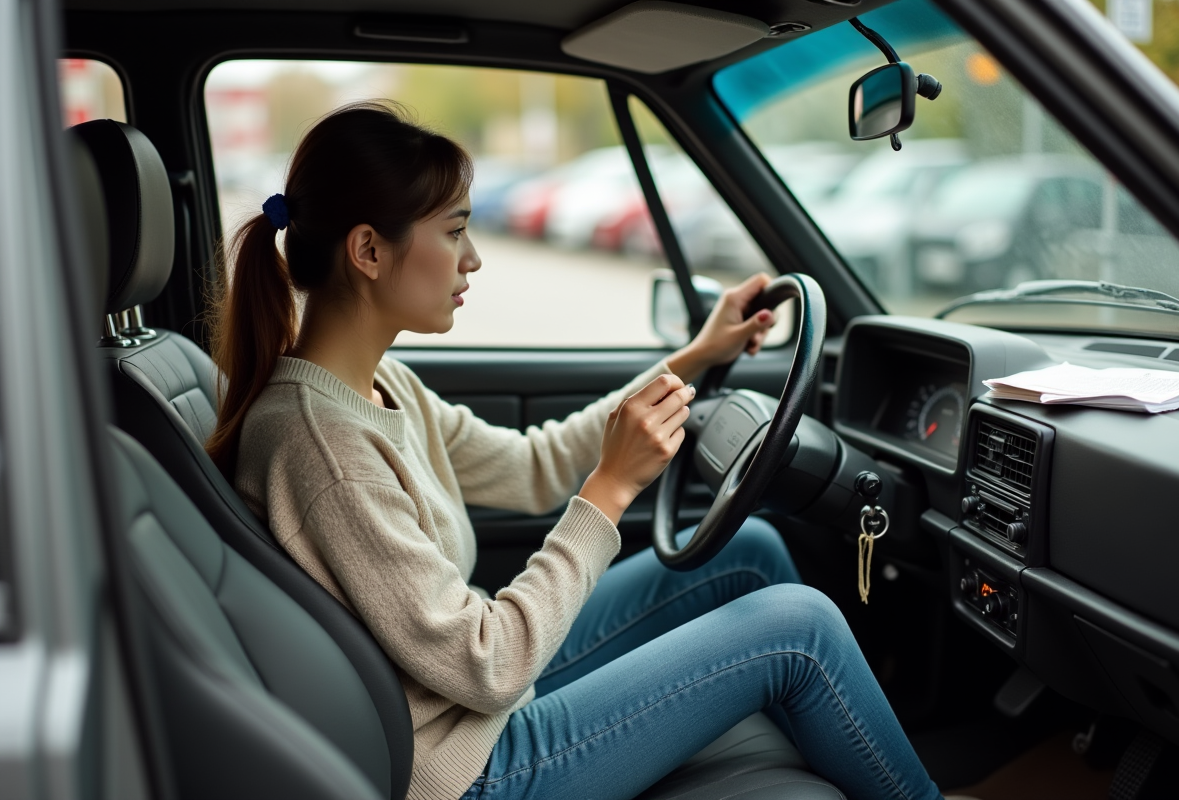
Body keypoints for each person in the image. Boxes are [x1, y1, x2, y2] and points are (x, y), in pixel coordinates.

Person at [207, 101, 944, 800]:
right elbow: (488, 662)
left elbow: (533, 467)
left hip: (476, 706)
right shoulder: (320, 447)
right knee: (800, 629)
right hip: (474, 771)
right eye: (455, 231)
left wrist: (691, 357)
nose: (473, 261)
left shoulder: (380, 385)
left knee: (745, 549)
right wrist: (611, 491)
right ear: (369, 249)